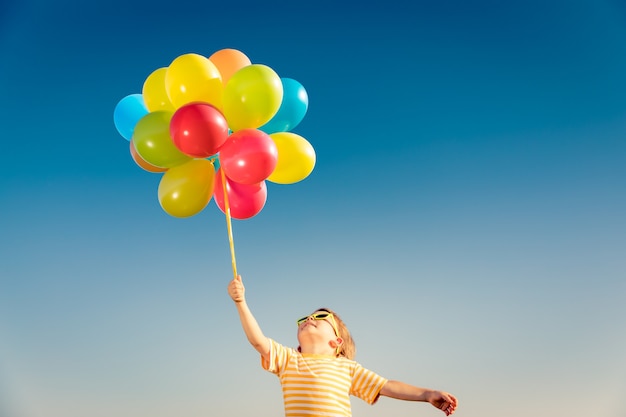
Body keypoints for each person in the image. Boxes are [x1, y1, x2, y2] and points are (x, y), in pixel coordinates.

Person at [227, 274, 458, 417]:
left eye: (320, 318)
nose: (309, 319)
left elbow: (387, 386)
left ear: (337, 342)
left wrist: (427, 394)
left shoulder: (346, 368)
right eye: (305, 318)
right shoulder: (289, 360)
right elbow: (258, 340)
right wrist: (241, 302)